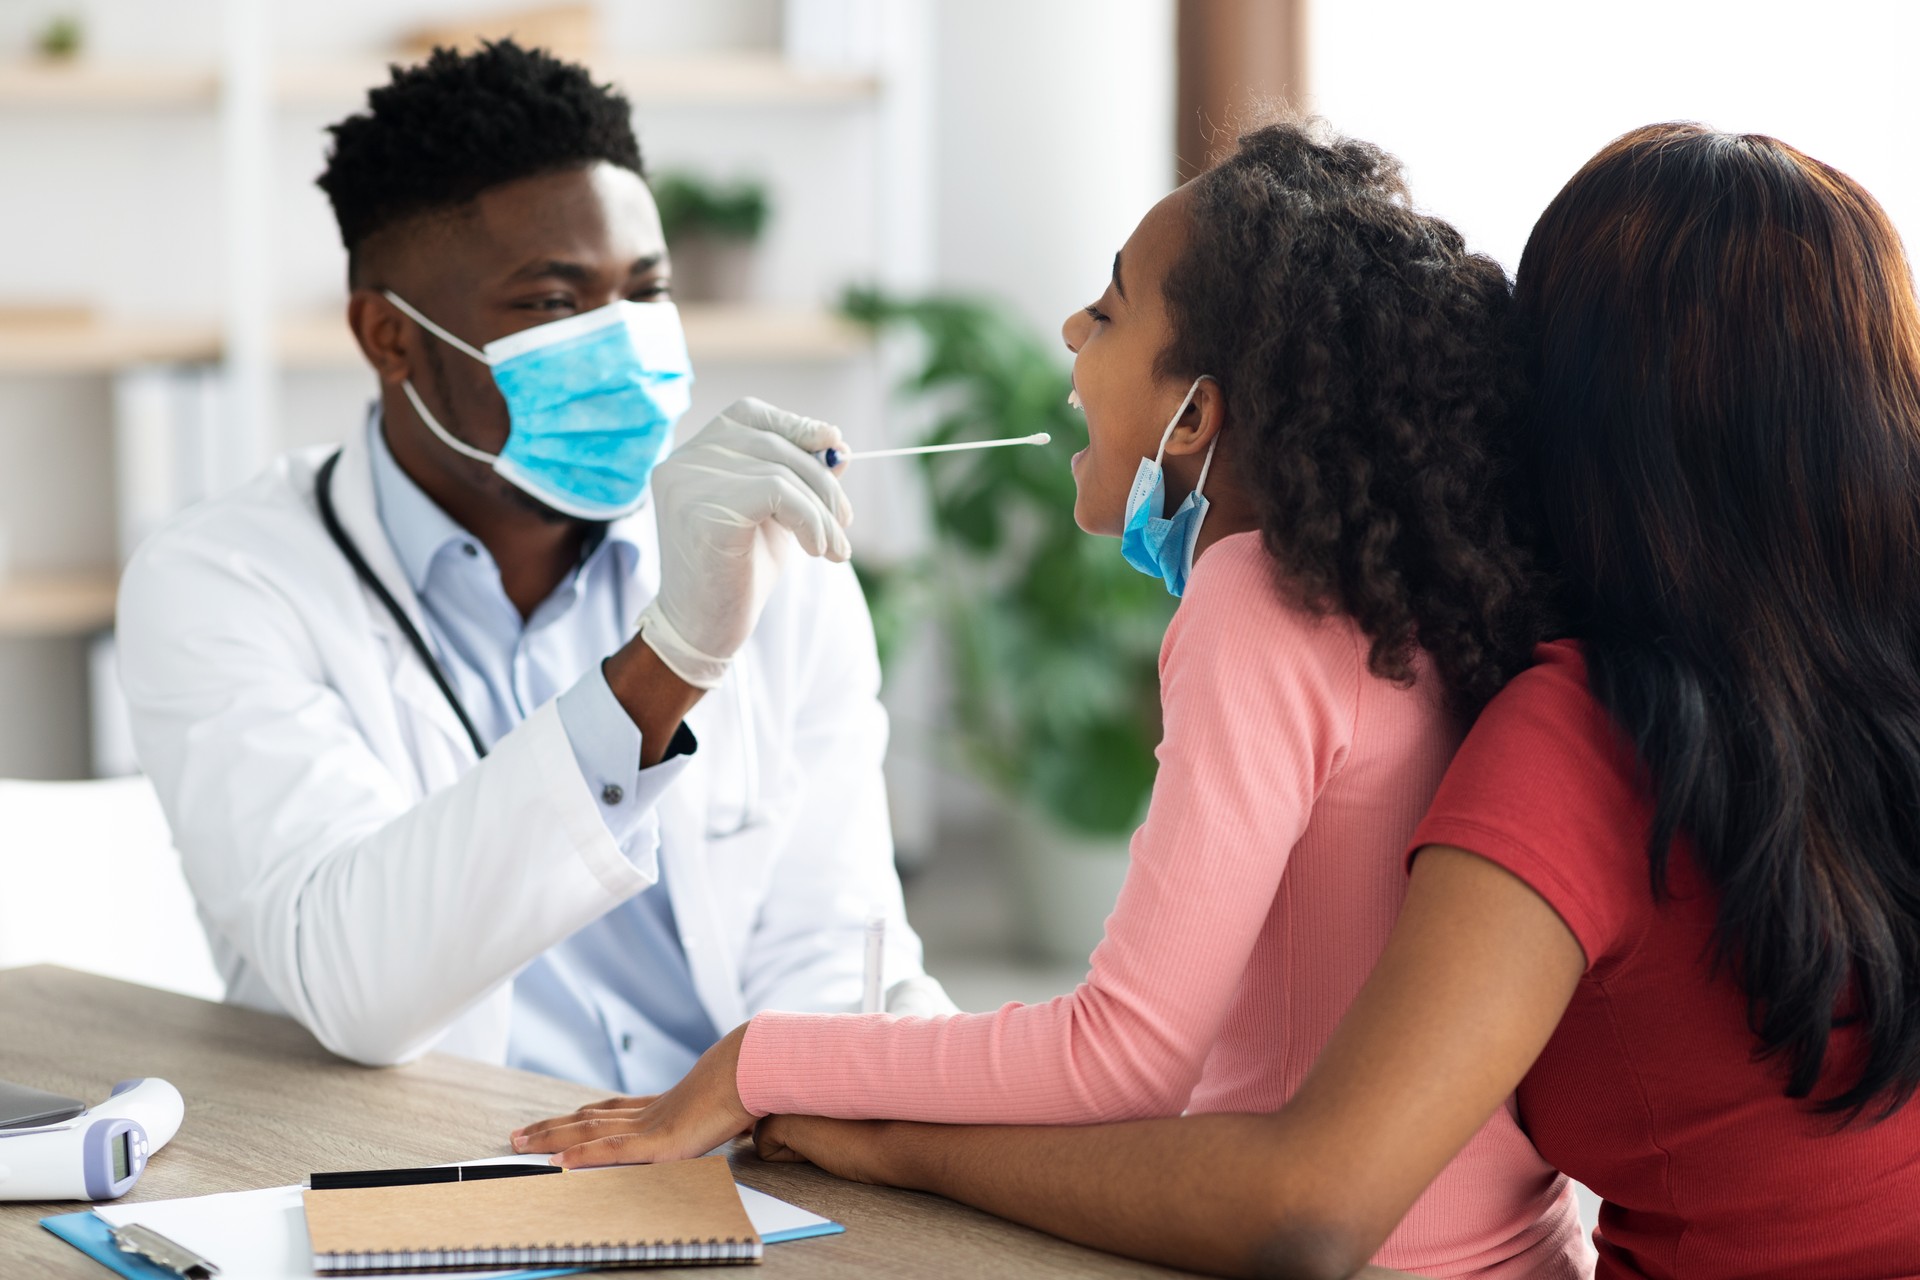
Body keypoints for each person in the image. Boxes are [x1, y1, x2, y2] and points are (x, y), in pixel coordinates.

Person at [734, 125, 1920, 1279]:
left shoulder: (1577, 734)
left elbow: (1292, 1198)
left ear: (1581, 417)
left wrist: (879, 1130)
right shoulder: (1808, 681)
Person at [513, 121, 1591, 1277]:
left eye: (1113, 310)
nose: (1073, 332)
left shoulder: (1251, 601)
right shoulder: (1426, 595)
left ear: (1197, 415)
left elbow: (1125, 1054)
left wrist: (755, 1060)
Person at [115, 41, 950, 1090]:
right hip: (435, 1186)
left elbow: (834, 953)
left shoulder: (771, 552)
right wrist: (670, 658)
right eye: (555, 304)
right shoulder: (224, 581)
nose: (627, 344)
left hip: (736, 1161)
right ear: (390, 337)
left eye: (646, 291)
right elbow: (357, 981)